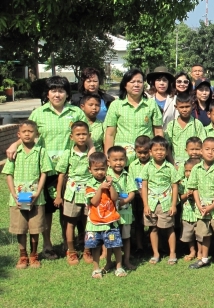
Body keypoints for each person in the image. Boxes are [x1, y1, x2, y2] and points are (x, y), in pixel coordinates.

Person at [6, 76, 88, 259]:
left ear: (67, 93)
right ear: (48, 94)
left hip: (69, 170)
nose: (57, 94)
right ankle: (48, 245)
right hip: (45, 170)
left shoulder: (76, 112)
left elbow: (85, 135)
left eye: (61, 91)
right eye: (53, 91)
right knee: (47, 210)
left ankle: (68, 244)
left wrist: (91, 153)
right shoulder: (39, 113)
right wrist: (14, 145)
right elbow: (28, 134)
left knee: (67, 209)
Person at [3, 120, 53, 269]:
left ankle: (34, 255)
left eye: (30, 131)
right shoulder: (14, 153)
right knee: (20, 228)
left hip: (36, 198)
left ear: (36, 134)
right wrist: (14, 194)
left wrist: (38, 193)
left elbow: (44, 173)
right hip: (18, 198)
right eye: (24, 132)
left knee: (35, 227)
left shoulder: (41, 152)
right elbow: (8, 174)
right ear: (18, 134)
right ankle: (23, 255)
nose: (27, 134)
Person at [104, 69, 164, 162]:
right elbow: (110, 134)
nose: (136, 85)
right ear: (125, 85)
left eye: (140, 82)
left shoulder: (151, 104)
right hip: (121, 159)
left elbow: (158, 132)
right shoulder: (116, 105)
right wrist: (108, 158)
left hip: (146, 158)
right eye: (132, 82)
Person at [54, 121, 92, 266]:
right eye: (78, 134)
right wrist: (59, 195)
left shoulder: (92, 154)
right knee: (70, 223)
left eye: (84, 134)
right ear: (72, 137)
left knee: (88, 222)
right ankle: (71, 251)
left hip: (88, 193)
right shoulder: (68, 154)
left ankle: (87, 250)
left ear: (89, 135)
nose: (81, 137)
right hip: (72, 194)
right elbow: (61, 176)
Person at [188, 137, 214, 271]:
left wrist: (212, 206)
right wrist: (199, 205)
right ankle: (204, 258)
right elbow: (194, 188)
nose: (210, 152)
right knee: (204, 234)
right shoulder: (196, 168)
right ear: (201, 151)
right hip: (202, 208)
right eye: (207, 149)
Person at [84, 152, 125, 278]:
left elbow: (114, 198)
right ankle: (96, 269)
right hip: (94, 223)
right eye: (96, 169)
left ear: (107, 167)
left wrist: (110, 185)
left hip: (110, 221)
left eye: (102, 169)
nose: (100, 172)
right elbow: (94, 201)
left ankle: (119, 267)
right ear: (90, 170)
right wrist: (101, 188)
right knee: (95, 247)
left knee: (116, 245)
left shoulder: (111, 181)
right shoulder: (90, 184)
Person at [141, 136, 181, 265]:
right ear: (150, 152)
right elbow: (144, 187)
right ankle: (156, 253)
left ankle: (172, 253)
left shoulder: (170, 168)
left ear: (167, 152)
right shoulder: (147, 167)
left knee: (169, 228)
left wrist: (173, 205)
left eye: (162, 149)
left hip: (166, 203)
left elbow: (175, 186)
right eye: (156, 150)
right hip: (151, 204)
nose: (159, 152)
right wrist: (145, 205)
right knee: (153, 229)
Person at [106, 145, 136, 271]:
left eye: (121, 159)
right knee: (110, 238)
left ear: (126, 160)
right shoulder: (106, 175)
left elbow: (132, 192)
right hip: (110, 214)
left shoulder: (127, 175)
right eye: (115, 160)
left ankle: (126, 260)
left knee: (126, 237)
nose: (118, 163)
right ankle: (108, 262)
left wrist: (124, 202)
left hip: (125, 213)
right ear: (108, 161)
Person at [165, 93, 206, 168]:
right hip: (176, 164)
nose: (184, 110)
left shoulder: (197, 124)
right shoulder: (171, 125)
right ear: (176, 107)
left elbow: (203, 145)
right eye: (181, 107)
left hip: (194, 165)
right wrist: (173, 164)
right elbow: (167, 147)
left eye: (187, 106)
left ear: (192, 106)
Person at [128, 135, 151, 255]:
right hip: (136, 198)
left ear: (150, 151)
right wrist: (137, 192)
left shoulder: (153, 164)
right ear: (135, 151)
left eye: (145, 152)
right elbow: (131, 182)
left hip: (151, 198)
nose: (142, 155)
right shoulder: (133, 165)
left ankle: (153, 245)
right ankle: (139, 246)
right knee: (137, 223)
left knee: (151, 222)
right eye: (139, 152)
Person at [178, 158, 199, 263]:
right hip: (187, 214)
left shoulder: (200, 182)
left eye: (190, 171)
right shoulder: (183, 183)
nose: (188, 173)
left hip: (199, 214)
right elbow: (180, 198)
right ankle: (192, 251)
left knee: (200, 235)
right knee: (189, 235)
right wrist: (187, 194)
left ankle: (200, 252)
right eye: (186, 171)